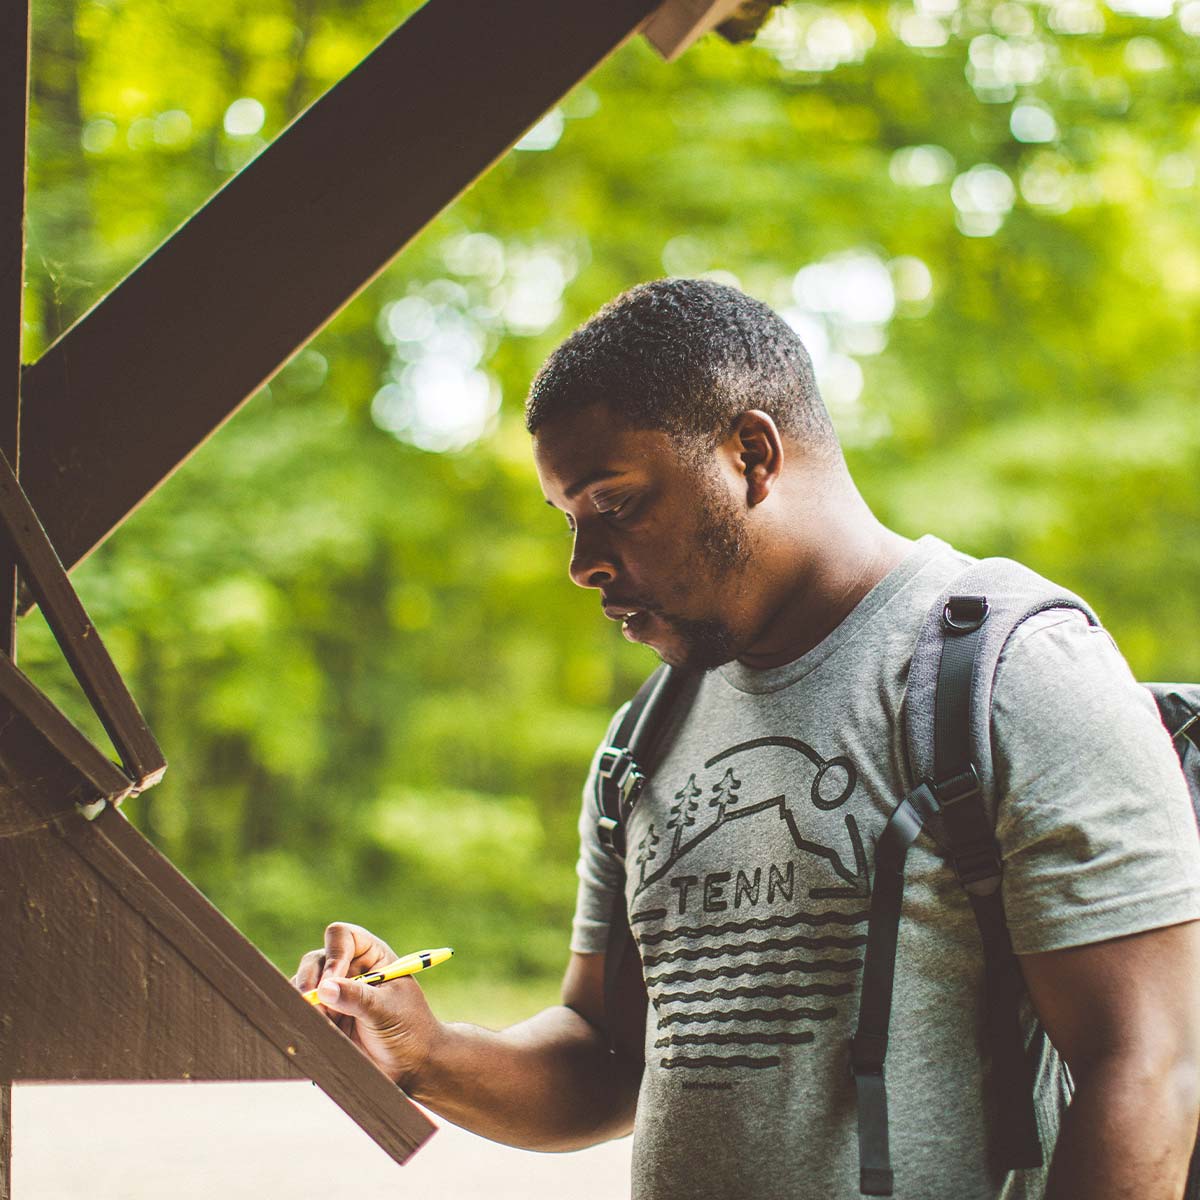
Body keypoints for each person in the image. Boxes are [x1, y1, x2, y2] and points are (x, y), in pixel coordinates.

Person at [293, 278, 1200, 1199]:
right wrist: (429, 1052)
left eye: (616, 503)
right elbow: (609, 1060)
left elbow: (1150, 1068)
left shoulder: (1014, 673)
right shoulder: (646, 737)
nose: (582, 564)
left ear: (752, 454)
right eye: (570, 519)